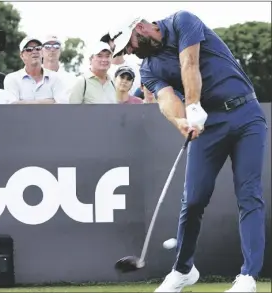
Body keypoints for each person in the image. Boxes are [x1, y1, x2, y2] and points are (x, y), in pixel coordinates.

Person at [110, 11, 267, 292]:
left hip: (246, 114)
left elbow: (189, 62)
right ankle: (183, 270)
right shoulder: (148, 67)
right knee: (193, 200)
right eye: (126, 51)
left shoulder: (183, 22)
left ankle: (248, 276)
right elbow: (165, 98)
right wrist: (180, 120)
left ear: (141, 27)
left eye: (130, 44)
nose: (131, 52)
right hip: (208, 125)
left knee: (248, 194)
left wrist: (193, 106)